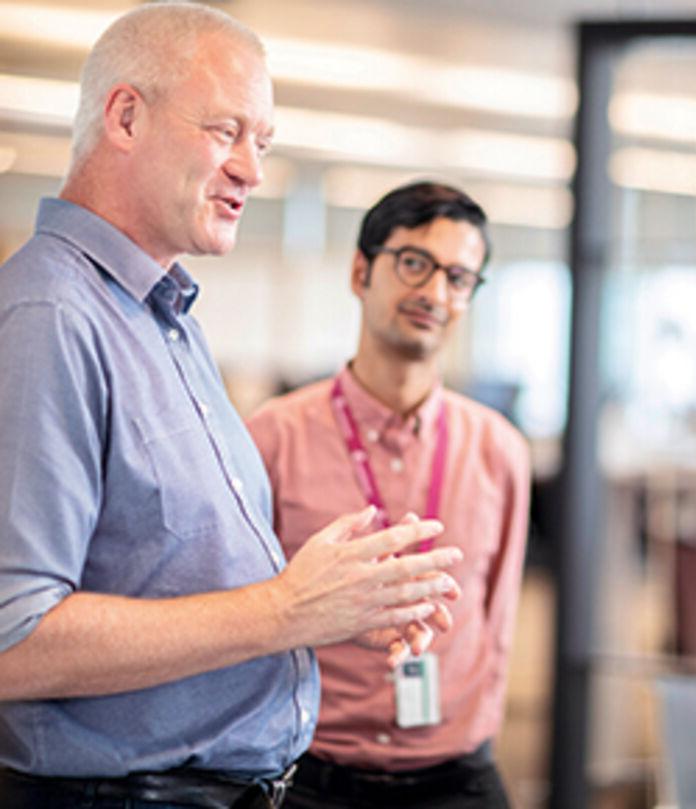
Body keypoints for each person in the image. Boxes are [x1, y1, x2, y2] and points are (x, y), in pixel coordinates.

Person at [0, 6, 463, 808]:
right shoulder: (51, 317)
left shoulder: (162, 318)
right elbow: (14, 639)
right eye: (226, 130)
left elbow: (162, 574)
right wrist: (286, 608)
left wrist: (335, 601)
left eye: (264, 142)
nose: (252, 169)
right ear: (126, 116)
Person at [246, 181, 531, 809]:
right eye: (413, 263)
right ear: (360, 271)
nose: (434, 292)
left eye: (459, 278)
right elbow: (244, 614)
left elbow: (500, 624)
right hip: (310, 776)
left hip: (456, 778)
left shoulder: (500, 450)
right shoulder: (272, 437)